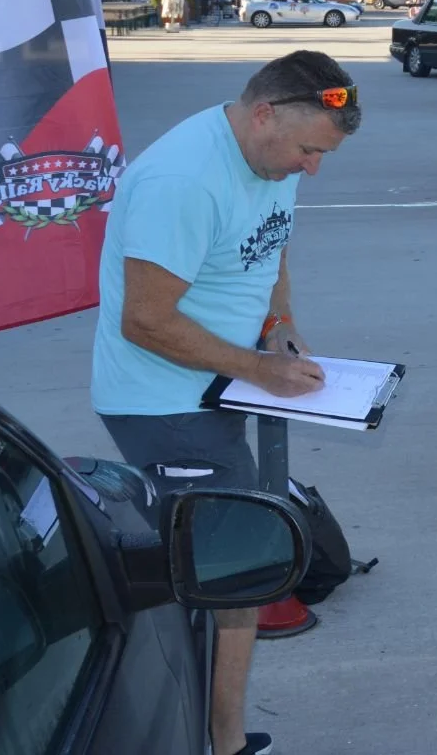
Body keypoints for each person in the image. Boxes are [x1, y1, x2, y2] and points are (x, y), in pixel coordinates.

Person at [91, 51, 363, 755]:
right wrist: (257, 369)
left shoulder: (270, 159)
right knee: (237, 567)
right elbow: (145, 319)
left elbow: (270, 250)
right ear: (264, 111)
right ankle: (226, 742)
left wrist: (280, 328)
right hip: (162, 400)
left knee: (228, 560)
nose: (312, 169)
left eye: (322, 156)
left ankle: (216, 732)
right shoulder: (183, 178)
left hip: (220, 380)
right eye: (309, 150)